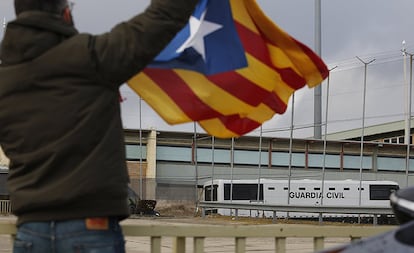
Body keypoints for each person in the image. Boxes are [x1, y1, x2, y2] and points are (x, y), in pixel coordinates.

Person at [0, 0, 198, 252]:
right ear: (66, 13)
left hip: (30, 230)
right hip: (90, 225)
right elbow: (162, 17)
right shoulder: (92, 57)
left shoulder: (5, 79)